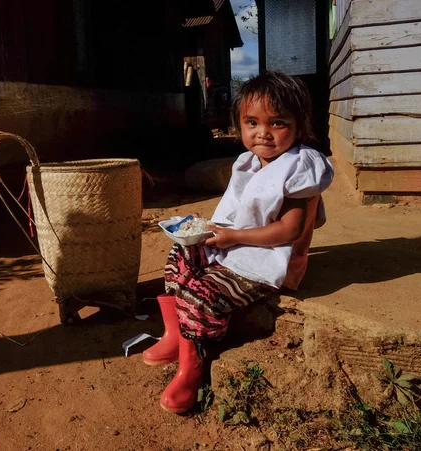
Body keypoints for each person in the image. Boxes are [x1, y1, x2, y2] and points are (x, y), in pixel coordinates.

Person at [143, 71, 334, 414]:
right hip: (236, 242)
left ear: (299, 124)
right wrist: (211, 229)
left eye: (278, 123)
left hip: (265, 258)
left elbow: (289, 231)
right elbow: (242, 211)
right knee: (181, 253)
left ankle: (195, 359)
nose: (263, 133)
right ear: (239, 124)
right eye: (251, 122)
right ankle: (176, 333)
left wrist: (233, 236)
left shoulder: (299, 167)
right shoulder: (248, 162)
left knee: (200, 293)